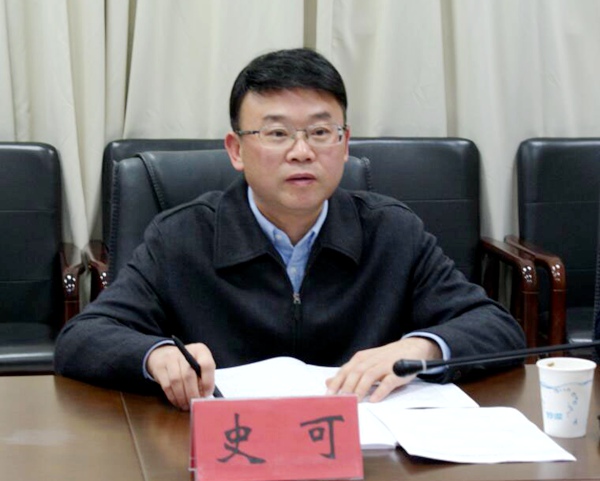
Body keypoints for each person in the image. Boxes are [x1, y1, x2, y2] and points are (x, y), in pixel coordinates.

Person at [54, 48, 526, 410]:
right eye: (277, 133)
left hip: (363, 451)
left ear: (345, 144)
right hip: (229, 450)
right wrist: (155, 354)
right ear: (236, 150)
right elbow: (84, 336)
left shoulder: (391, 231)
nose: (302, 152)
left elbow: (497, 328)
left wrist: (418, 348)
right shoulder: (181, 236)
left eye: (320, 132)